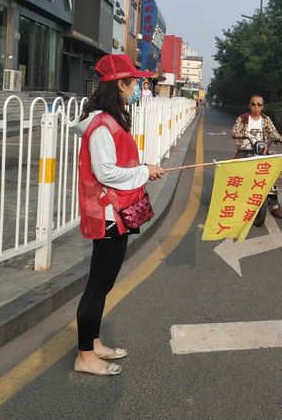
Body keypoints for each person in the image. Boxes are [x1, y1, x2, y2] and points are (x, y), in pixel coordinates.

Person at [71, 54, 164, 376]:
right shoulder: (102, 126)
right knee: (99, 284)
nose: (138, 88)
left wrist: (143, 170)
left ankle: (92, 343)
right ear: (120, 85)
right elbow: (106, 172)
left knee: (103, 282)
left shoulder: (108, 121)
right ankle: (84, 355)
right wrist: (144, 171)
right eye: (134, 82)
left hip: (115, 209)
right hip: (109, 212)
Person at [231, 94, 282, 219]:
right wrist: (237, 134)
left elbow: (274, 133)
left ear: (262, 107)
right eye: (253, 104)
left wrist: (279, 138)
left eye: (259, 104)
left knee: (275, 171)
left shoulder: (266, 120)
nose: (256, 106)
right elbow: (234, 131)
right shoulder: (243, 118)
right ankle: (233, 201)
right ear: (249, 105)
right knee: (234, 170)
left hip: (262, 150)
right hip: (244, 149)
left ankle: (275, 207)